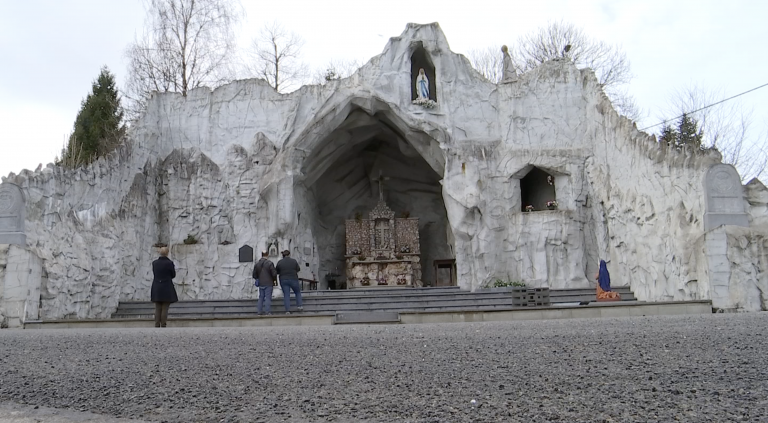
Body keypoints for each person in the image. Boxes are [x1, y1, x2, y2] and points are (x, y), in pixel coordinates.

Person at [151, 246, 178, 327]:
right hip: (166, 286)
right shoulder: (169, 263)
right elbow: (173, 274)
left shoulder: (154, 263)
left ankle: (156, 324)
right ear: (167, 253)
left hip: (156, 286)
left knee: (157, 307)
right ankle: (163, 324)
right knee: (165, 307)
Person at [276, 249, 303, 314]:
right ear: (289, 254)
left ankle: (287, 310)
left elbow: (277, 271)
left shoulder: (280, 262)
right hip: (293, 278)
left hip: (283, 279)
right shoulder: (293, 261)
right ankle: (299, 306)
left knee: (286, 295)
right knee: (297, 292)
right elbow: (298, 269)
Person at [252, 250, 277, 315]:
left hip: (261, 283)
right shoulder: (270, 263)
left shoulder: (257, 264)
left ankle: (259, 311)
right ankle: (267, 311)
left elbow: (254, 275)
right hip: (269, 283)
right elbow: (274, 274)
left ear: (262, 255)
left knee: (261, 297)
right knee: (268, 298)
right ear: (267, 255)